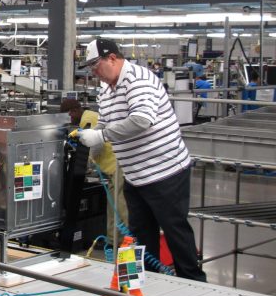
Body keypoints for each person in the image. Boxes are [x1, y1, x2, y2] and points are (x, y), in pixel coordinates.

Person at [77, 38, 206, 282]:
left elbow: (141, 120)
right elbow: (105, 121)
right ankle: (148, 284)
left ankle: (195, 284)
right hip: (135, 174)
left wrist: (102, 135)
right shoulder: (106, 88)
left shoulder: (138, 79)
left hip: (165, 171)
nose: (93, 72)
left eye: (95, 65)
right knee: (140, 234)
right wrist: (94, 138)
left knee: (174, 230)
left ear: (112, 58)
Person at [60, 97, 128, 247]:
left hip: (117, 166)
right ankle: (112, 241)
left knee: (119, 207)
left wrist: (85, 165)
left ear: (74, 111)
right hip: (111, 168)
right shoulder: (89, 117)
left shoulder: (88, 120)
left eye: (69, 116)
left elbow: (95, 145)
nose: (69, 121)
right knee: (113, 207)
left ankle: (124, 243)